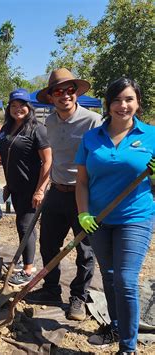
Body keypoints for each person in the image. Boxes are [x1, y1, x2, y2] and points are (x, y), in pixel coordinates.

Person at [75, 78, 154, 353]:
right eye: (117, 100)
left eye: (129, 99)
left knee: (125, 279)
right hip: (99, 219)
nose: (123, 105)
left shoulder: (150, 136)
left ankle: (128, 347)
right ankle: (117, 326)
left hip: (135, 217)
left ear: (138, 103)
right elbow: (82, 181)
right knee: (108, 276)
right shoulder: (91, 138)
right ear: (108, 104)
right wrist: (84, 214)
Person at [24, 68, 103, 322]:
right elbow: (52, 159)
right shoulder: (50, 122)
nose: (65, 95)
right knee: (48, 245)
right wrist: (43, 187)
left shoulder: (93, 121)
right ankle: (50, 289)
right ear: (51, 97)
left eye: (70, 90)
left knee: (85, 251)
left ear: (76, 93)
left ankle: (78, 297)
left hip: (84, 195)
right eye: (58, 91)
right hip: (57, 193)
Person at [0, 88, 52, 286]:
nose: (18, 109)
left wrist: (40, 189)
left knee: (26, 227)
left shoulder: (37, 129)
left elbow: (48, 162)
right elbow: (6, 156)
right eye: (14, 106)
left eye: (22, 105)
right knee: (22, 226)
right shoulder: (7, 129)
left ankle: (28, 269)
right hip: (15, 187)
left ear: (29, 107)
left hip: (31, 188)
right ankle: (27, 263)